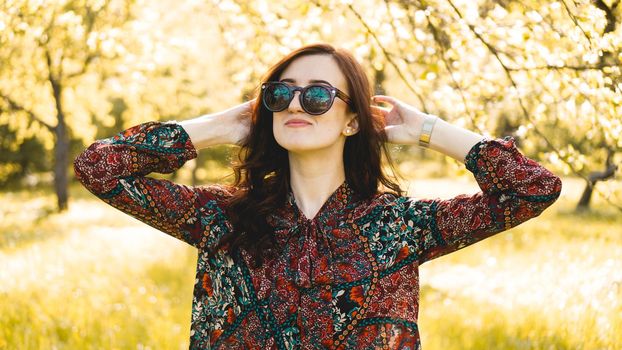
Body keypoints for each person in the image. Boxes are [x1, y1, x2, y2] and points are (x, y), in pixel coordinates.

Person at [73, 43, 562, 349]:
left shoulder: (399, 225)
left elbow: (533, 189)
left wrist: (428, 130)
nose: (296, 105)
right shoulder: (221, 216)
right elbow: (99, 169)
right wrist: (222, 125)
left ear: (352, 120)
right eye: (281, 94)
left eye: (319, 95)